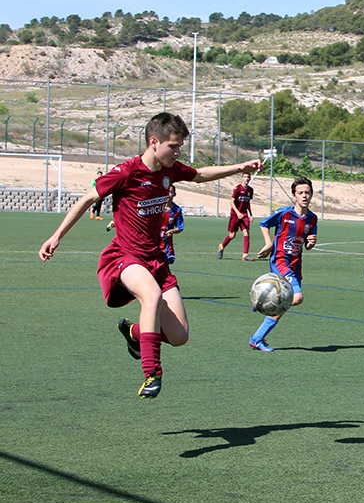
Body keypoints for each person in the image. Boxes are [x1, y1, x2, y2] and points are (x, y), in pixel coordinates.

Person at [38, 112, 261, 399]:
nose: (178, 152)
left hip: (156, 260)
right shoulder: (126, 172)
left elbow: (200, 175)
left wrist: (240, 167)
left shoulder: (169, 170)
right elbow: (87, 199)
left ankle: (134, 333)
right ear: (154, 142)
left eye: (180, 147)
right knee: (151, 296)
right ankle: (152, 373)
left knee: (179, 336)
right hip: (124, 256)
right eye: (173, 146)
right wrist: (56, 236)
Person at [249, 177, 318, 352]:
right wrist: (268, 243)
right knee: (296, 298)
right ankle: (262, 300)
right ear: (294, 195)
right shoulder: (284, 214)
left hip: (296, 264)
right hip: (281, 260)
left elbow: (307, 246)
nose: (304, 196)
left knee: (284, 303)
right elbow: (264, 224)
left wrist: (311, 242)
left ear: (311, 195)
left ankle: (257, 337)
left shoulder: (312, 219)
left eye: (307, 192)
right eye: (300, 193)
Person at [217, 171, 255, 261]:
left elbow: (248, 203)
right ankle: (222, 246)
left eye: (248, 177)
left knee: (246, 232)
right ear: (242, 178)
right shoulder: (237, 188)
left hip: (244, 214)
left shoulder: (250, 190)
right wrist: (237, 213)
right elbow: (231, 202)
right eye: (245, 177)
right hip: (235, 214)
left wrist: (250, 214)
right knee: (233, 234)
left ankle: (245, 255)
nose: (246, 179)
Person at [159, 184, 184, 265]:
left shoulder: (177, 210)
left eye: (170, 192)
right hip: (153, 244)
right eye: (165, 191)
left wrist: (172, 231)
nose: (168, 194)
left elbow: (180, 227)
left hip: (167, 245)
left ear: (174, 194)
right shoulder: (156, 208)